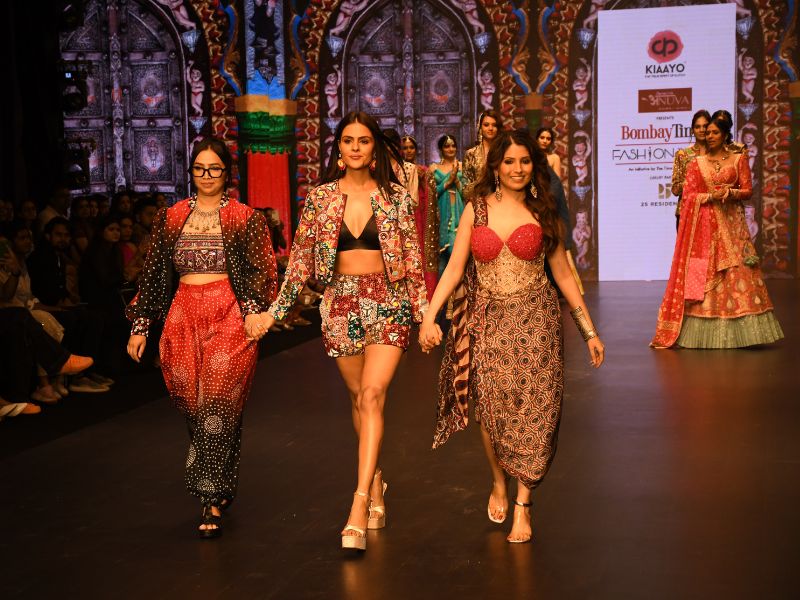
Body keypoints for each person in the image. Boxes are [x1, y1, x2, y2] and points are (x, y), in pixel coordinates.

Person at [419, 129, 605, 543]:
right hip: (489, 322)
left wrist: (589, 331)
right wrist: (430, 318)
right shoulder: (477, 209)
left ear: (533, 165)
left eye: (524, 161)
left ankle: (524, 502)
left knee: (537, 409)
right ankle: (498, 480)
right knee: (492, 409)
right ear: (496, 166)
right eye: (509, 162)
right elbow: (454, 269)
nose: (517, 169)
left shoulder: (543, 211)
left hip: (537, 322)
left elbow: (563, 275)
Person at [261, 111, 428, 552]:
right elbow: (300, 262)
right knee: (358, 399)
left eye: (364, 140)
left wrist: (424, 314)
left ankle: (358, 504)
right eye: (349, 140)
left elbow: (413, 260)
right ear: (339, 147)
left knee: (372, 395)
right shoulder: (320, 199)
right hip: (340, 304)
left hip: (388, 301)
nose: (356, 147)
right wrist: (275, 312)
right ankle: (375, 482)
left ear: (374, 149)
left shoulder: (394, 197)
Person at [126, 137, 277, 539]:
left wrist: (255, 312)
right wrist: (141, 326)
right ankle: (220, 481)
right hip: (183, 314)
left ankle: (209, 498)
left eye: (215, 169)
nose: (207, 176)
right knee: (193, 403)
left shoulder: (245, 217)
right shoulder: (172, 216)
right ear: (191, 171)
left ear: (227, 173)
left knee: (218, 401)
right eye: (200, 168)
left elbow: (262, 270)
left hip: (229, 312)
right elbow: (154, 273)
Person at [652, 113, 783, 349]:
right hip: (705, 227)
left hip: (733, 226)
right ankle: (701, 331)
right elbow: (688, 196)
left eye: (714, 132)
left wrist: (730, 193)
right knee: (704, 271)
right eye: (707, 132)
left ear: (724, 135)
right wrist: (708, 196)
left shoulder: (738, 158)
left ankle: (746, 331)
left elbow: (748, 191)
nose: (709, 135)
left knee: (739, 272)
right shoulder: (696, 162)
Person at [400, 134, 437, 299]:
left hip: (421, 216)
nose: (408, 151)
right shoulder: (398, 170)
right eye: (405, 148)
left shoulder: (423, 170)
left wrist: (423, 179)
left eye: (411, 147)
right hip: (405, 216)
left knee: (422, 252)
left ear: (416, 150)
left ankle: (426, 294)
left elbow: (432, 195)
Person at [427, 134, 467, 276]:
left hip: (458, 213)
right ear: (441, 149)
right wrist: (448, 182)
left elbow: (467, 194)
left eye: (453, 146)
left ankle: (459, 288)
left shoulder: (462, 167)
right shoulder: (433, 168)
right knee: (441, 259)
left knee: (456, 253)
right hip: (440, 214)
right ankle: (441, 289)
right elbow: (431, 195)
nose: (451, 149)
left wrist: (456, 181)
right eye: (447, 146)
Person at [671, 110, 710, 230]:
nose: (702, 130)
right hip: (686, 211)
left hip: (711, 210)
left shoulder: (717, 155)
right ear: (692, 130)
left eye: (705, 126)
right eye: (698, 127)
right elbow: (675, 189)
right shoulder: (683, 154)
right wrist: (692, 182)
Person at [463, 110, 503, 190]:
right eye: (486, 125)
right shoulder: (471, 154)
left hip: (502, 195)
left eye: (494, 125)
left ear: (498, 128)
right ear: (480, 127)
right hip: (477, 195)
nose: (490, 128)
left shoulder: (504, 151)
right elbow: (466, 184)